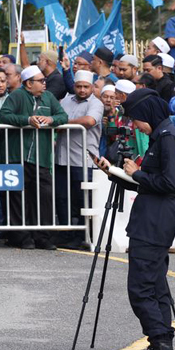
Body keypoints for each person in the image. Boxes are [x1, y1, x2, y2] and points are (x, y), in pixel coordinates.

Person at [95, 88, 175, 350]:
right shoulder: (161, 136)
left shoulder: (168, 138)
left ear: (147, 114)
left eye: (136, 119)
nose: (135, 126)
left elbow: (170, 184)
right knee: (155, 286)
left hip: (155, 221)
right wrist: (116, 173)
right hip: (151, 217)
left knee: (142, 288)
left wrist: (137, 174)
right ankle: (162, 349)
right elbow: (151, 182)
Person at [0, 65, 67, 250]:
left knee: (44, 197)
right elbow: (3, 116)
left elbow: (63, 116)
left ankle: (43, 237)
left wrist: (52, 120)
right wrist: (26, 120)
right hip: (16, 156)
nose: (45, 84)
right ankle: (22, 237)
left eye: (45, 80)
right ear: (28, 83)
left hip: (41, 157)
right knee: (18, 199)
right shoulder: (17, 96)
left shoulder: (49, 97)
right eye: (41, 81)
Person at [54, 71, 103, 245]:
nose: (82, 90)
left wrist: (63, 122)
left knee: (82, 199)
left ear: (92, 87)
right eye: (79, 86)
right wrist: (60, 122)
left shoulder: (96, 103)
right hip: (62, 158)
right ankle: (65, 233)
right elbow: (56, 118)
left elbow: (89, 121)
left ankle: (82, 235)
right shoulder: (66, 100)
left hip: (83, 159)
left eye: (86, 87)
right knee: (62, 198)